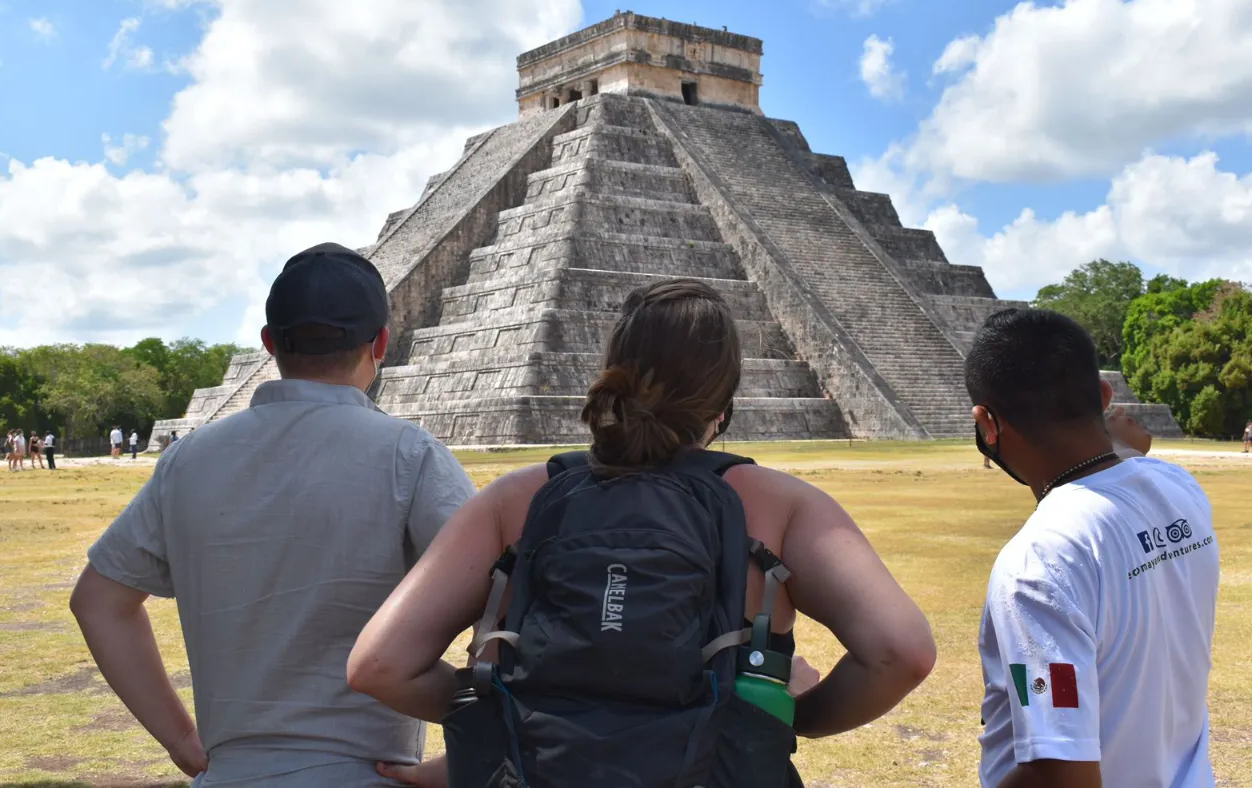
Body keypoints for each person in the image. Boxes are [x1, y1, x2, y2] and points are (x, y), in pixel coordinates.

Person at [348, 278, 937, 787]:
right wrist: (777, 711)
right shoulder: (782, 508)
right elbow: (902, 653)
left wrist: (500, 711)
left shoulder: (520, 499)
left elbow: (379, 665)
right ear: (723, 406)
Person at [69, 242, 477, 787]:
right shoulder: (408, 454)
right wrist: (477, 749)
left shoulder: (189, 458)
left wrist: (180, 738)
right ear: (380, 341)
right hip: (366, 772)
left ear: (269, 343)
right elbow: (509, 595)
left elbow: (98, 600)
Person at [969, 308, 1219, 788]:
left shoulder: (1039, 561)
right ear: (1104, 396)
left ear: (986, 424)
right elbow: (1122, 470)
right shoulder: (1180, 488)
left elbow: (1063, 773)